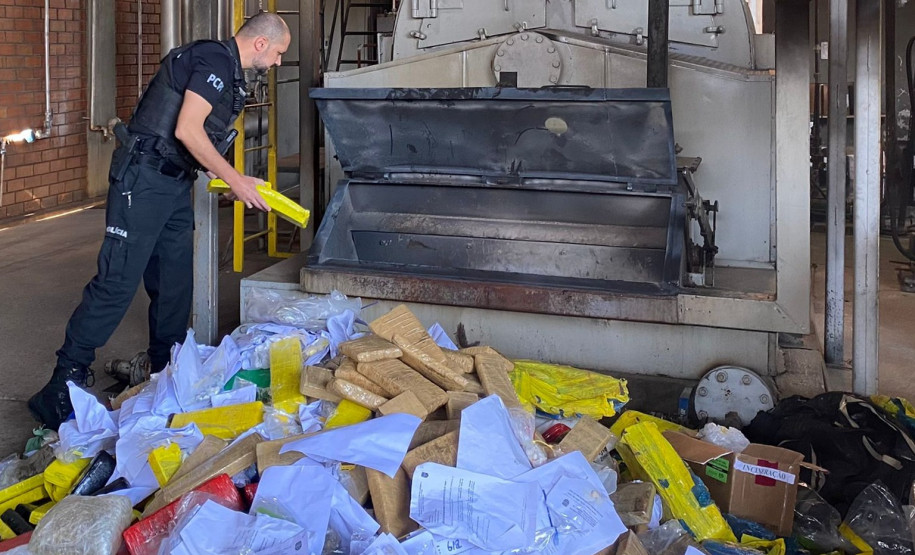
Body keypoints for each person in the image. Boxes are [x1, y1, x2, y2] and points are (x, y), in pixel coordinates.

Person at [28, 12, 291, 430]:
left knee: (174, 281)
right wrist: (235, 179)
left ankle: (164, 372)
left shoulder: (228, 74)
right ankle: (62, 385)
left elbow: (194, 140)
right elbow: (188, 129)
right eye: (278, 53)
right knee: (116, 283)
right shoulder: (214, 59)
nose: (277, 62)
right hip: (143, 181)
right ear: (261, 43)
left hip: (173, 183)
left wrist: (231, 179)